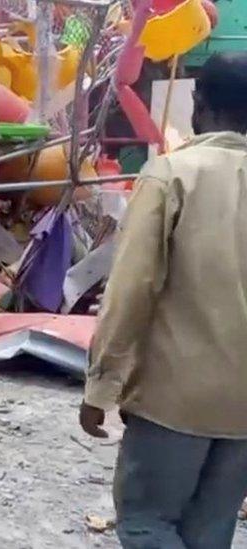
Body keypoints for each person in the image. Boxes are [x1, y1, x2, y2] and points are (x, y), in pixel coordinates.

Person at [80, 52, 247, 549]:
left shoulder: (171, 175)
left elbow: (130, 290)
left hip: (175, 399)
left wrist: (101, 386)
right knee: (210, 533)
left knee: (146, 524)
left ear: (202, 105)